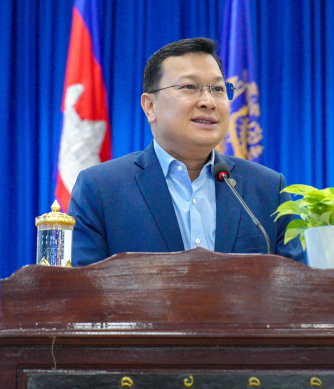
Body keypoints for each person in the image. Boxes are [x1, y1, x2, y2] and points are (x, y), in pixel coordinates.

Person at [68, 37, 304, 266]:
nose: (209, 101)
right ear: (150, 107)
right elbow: (84, 288)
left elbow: (295, 286)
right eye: (189, 87)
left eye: (218, 89)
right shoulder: (101, 189)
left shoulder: (268, 189)